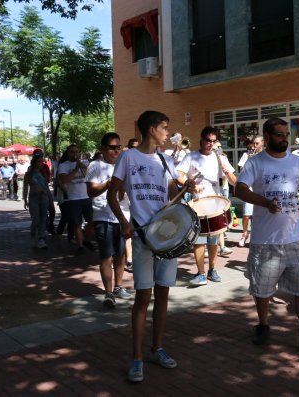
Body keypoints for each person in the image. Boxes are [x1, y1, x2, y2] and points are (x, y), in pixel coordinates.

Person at [108, 110, 196, 382]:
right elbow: (113, 193)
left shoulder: (165, 159)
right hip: (142, 236)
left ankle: (157, 348)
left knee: (163, 294)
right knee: (143, 298)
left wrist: (187, 187)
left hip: (165, 235)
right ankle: (136, 358)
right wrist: (124, 222)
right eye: (164, 128)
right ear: (151, 129)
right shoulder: (128, 156)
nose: (168, 133)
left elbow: (169, 194)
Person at [234, 117, 299, 357]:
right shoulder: (256, 163)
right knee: (263, 289)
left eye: (286, 134)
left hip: (295, 237)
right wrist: (265, 202)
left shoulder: (296, 161)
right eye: (279, 135)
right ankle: (263, 324)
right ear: (266, 137)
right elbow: (240, 189)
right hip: (265, 239)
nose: (284, 139)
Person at [177, 126, 237, 286]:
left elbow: (234, 182)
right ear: (201, 140)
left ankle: (212, 269)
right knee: (198, 241)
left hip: (216, 205)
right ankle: (201, 273)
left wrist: (227, 171)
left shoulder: (220, 158)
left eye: (213, 141)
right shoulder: (191, 157)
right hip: (197, 204)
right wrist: (189, 184)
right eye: (208, 140)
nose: (210, 144)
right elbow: (179, 176)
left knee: (213, 241)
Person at [86, 133, 133, 308]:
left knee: (120, 255)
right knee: (106, 256)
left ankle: (119, 286)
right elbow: (90, 192)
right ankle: (108, 292)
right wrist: (108, 184)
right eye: (112, 147)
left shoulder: (124, 166)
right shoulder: (95, 166)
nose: (116, 151)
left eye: (118, 147)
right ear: (104, 149)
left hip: (123, 217)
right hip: (103, 217)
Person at [58, 144, 94, 253]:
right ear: (68, 153)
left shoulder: (85, 163)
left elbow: (91, 176)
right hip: (73, 199)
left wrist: (82, 166)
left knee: (91, 222)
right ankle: (81, 246)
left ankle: (85, 239)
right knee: (77, 224)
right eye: (72, 152)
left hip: (86, 197)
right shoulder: (63, 165)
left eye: (77, 152)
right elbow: (64, 180)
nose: (75, 154)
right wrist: (76, 169)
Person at [237, 135, 264, 247]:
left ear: (262, 143)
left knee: (259, 215)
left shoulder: (265, 155)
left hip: (261, 188)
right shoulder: (246, 155)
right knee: (246, 215)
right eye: (254, 143)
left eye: (257, 143)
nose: (255, 146)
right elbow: (241, 172)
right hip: (249, 188)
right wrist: (248, 161)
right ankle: (244, 234)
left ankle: (257, 236)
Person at [23, 155, 50, 248]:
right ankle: (35, 229)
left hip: (44, 197)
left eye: (42, 161)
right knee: (36, 219)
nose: (42, 163)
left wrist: (49, 198)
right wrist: (25, 199)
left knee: (43, 218)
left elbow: (46, 185)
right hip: (33, 197)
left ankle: (41, 239)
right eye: (40, 162)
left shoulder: (43, 172)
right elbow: (25, 187)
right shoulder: (29, 174)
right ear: (34, 162)